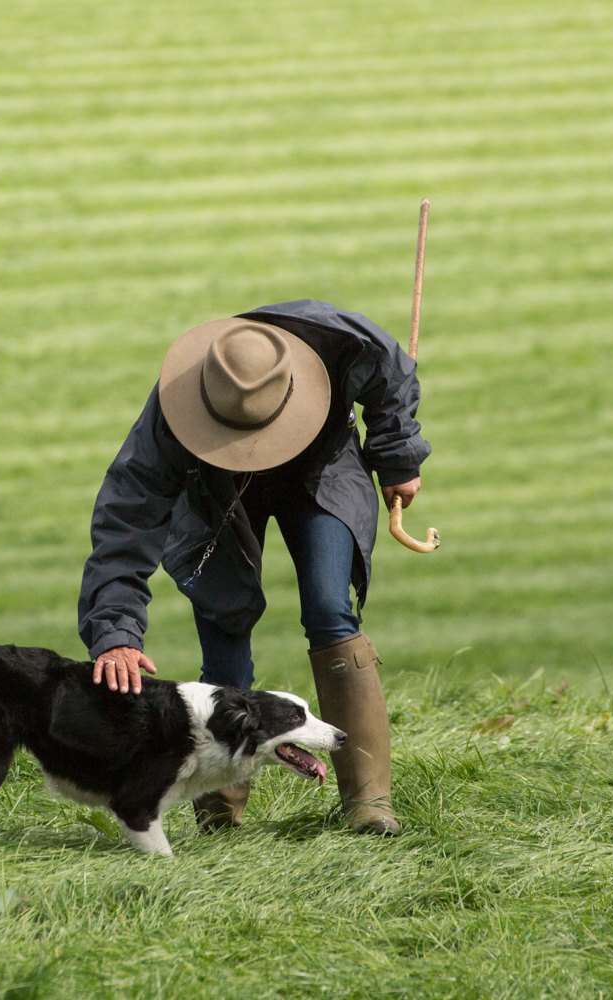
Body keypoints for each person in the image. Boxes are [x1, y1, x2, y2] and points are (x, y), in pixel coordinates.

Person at [78, 300, 430, 836]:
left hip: (322, 470)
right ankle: (219, 811)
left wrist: (397, 456)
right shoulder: (171, 416)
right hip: (216, 492)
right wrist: (115, 631)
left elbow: (392, 375)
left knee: (330, 607)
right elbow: (126, 521)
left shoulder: (337, 339)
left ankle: (368, 803)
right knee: (225, 618)